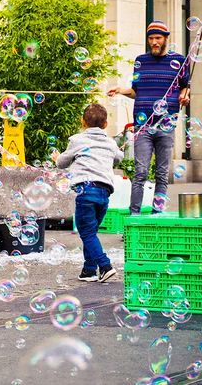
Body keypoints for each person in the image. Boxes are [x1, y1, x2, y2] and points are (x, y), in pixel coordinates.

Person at [107, 20, 191, 214]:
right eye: (151, 38)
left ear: (166, 39)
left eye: (158, 38)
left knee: (162, 174)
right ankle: (134, 218)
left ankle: (156, 216)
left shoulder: (179, 61)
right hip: (143, 125)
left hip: (166, 124)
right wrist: (121, 90)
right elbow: (136, 91)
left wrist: (185, 96)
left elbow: (185, 87)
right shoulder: (141, 61)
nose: (154, 42)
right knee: (140, 173)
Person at [52, 104, 123, 282]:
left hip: (86, 191)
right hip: (104, 193)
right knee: (91, 231)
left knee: (87, 233)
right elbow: (119, 157)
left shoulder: (77, 140)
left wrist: (56, 157)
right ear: (106, 124)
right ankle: (89, 270)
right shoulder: (110, 142)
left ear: (83, 122)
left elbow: (62, 162)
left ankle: (105, 266)